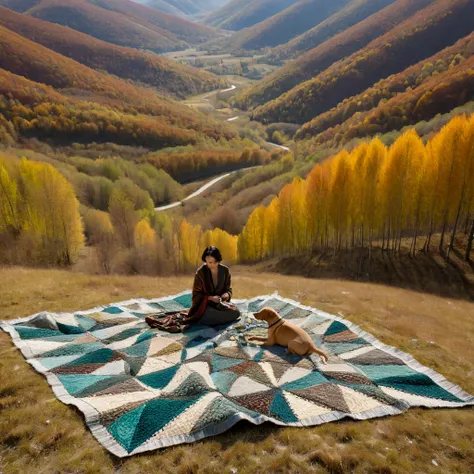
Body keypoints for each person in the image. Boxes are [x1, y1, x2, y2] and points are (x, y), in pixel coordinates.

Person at [188, 246, 241, 326]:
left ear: (218, 260)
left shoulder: (225, 271)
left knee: (236, 312)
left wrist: (226, 295)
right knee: (209, 313)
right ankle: (205, 319)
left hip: (220, 304)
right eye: (209, 262)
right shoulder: (200, 273)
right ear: (205, 261)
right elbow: (196, 295)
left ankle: (209, 321)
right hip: (205, 306)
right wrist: (210, 298)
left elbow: (228, 289)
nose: (212, 265)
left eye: (215, 262)